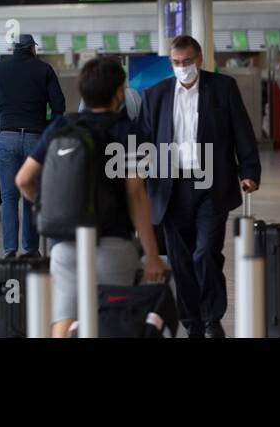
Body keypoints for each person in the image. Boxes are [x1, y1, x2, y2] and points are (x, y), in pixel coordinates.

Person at [14, 56, 167, 337]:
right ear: (120, 91)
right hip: (113, 245)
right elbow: (135, 195)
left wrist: (45, 207)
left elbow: (23, 180)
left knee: (62, 322)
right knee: (112, 322)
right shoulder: (131, 133)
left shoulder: (61, 127)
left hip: (65, 245)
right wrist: (153, 254)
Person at [139, 35, 261, 338]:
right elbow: (142, 140)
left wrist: (249, 171)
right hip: (170, 188)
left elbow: (241, 131)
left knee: (205, 253)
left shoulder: (222, 88)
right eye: (176, 63)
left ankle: (211, 318)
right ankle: (191, 322)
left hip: (211, 184)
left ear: (200, 60)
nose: (182, 68)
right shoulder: (155, 95)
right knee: (180, 262)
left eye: (187, 62)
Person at [0, 34, 67, 257]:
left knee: (9, 197)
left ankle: (10, 249)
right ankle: (31, 249)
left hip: (6, 136)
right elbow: (59, 106)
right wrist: (50, 130)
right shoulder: (44, 70)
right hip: (35, 138)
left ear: (14, 50)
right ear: (32, 49)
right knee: (31, 194)